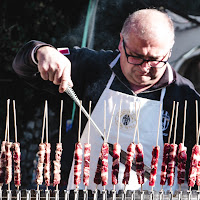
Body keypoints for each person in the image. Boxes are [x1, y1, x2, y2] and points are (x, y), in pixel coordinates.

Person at [13, 8, 200, 191]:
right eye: (136, 56)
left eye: (154, 60)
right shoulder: (93, 67)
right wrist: (41, 52)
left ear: (168, 52)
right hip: (83, 192)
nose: (144, 67)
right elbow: (24, 67)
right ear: (121, 42)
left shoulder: (184, 97)